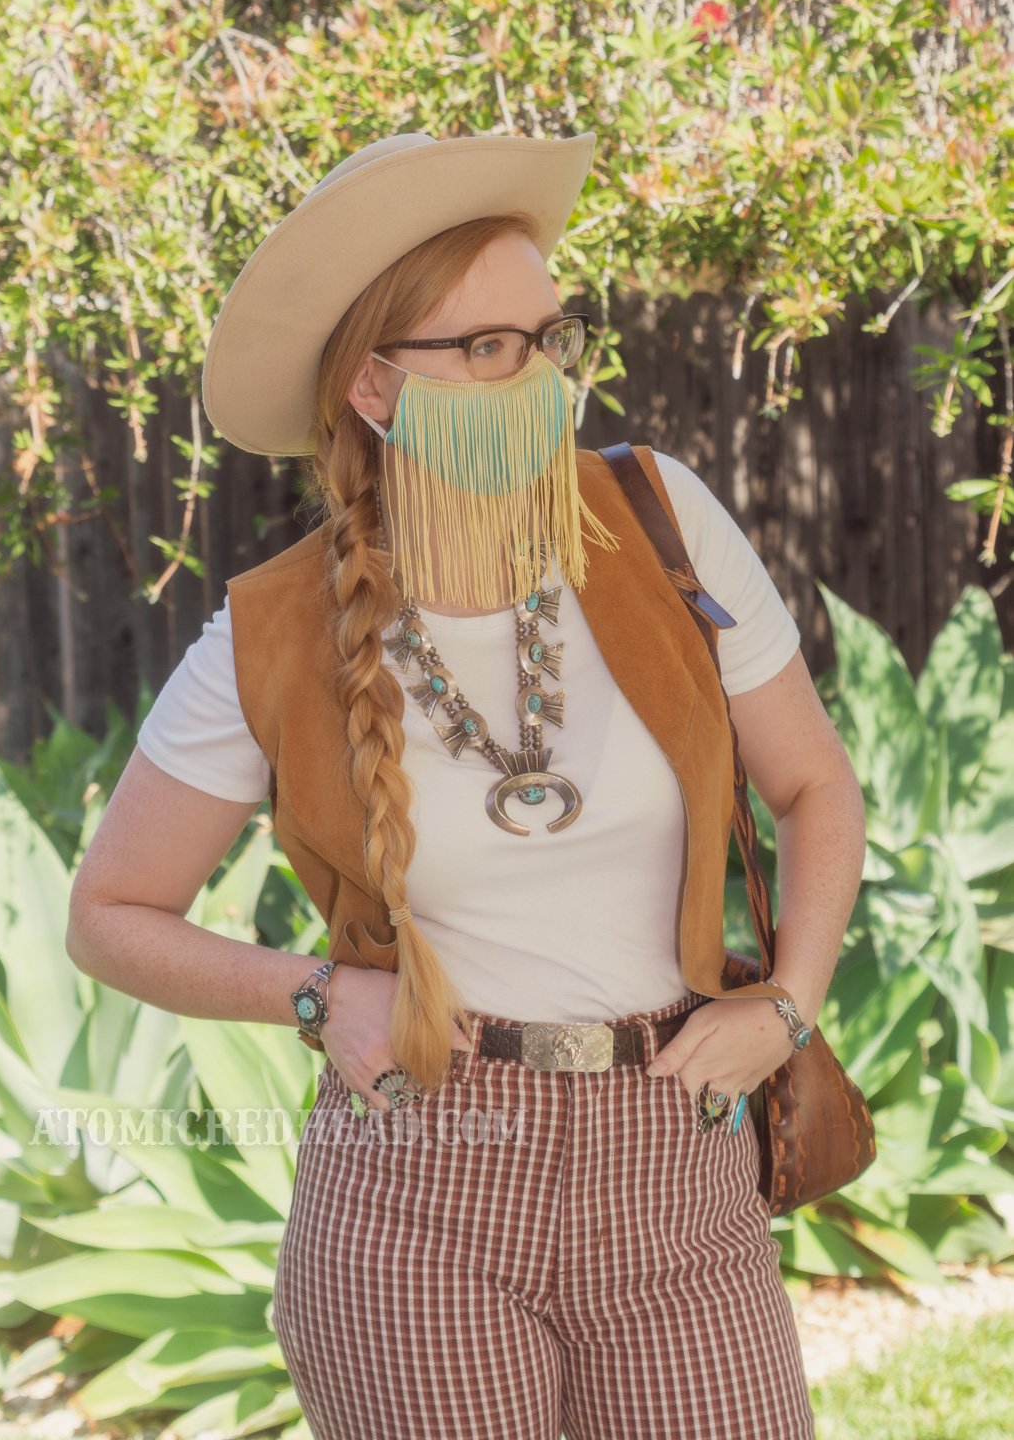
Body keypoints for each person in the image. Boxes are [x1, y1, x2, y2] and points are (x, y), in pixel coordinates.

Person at [67, 130, 866, 1440]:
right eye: (493, 348)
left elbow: (817, 789)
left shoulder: (661, 520)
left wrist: (786, 1005)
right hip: (420, 1189)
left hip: (678, 1148)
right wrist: (320, 993)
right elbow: (109, 914)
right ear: (379, 388)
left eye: (552, 334)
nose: (545, 376)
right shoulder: (273, 632)